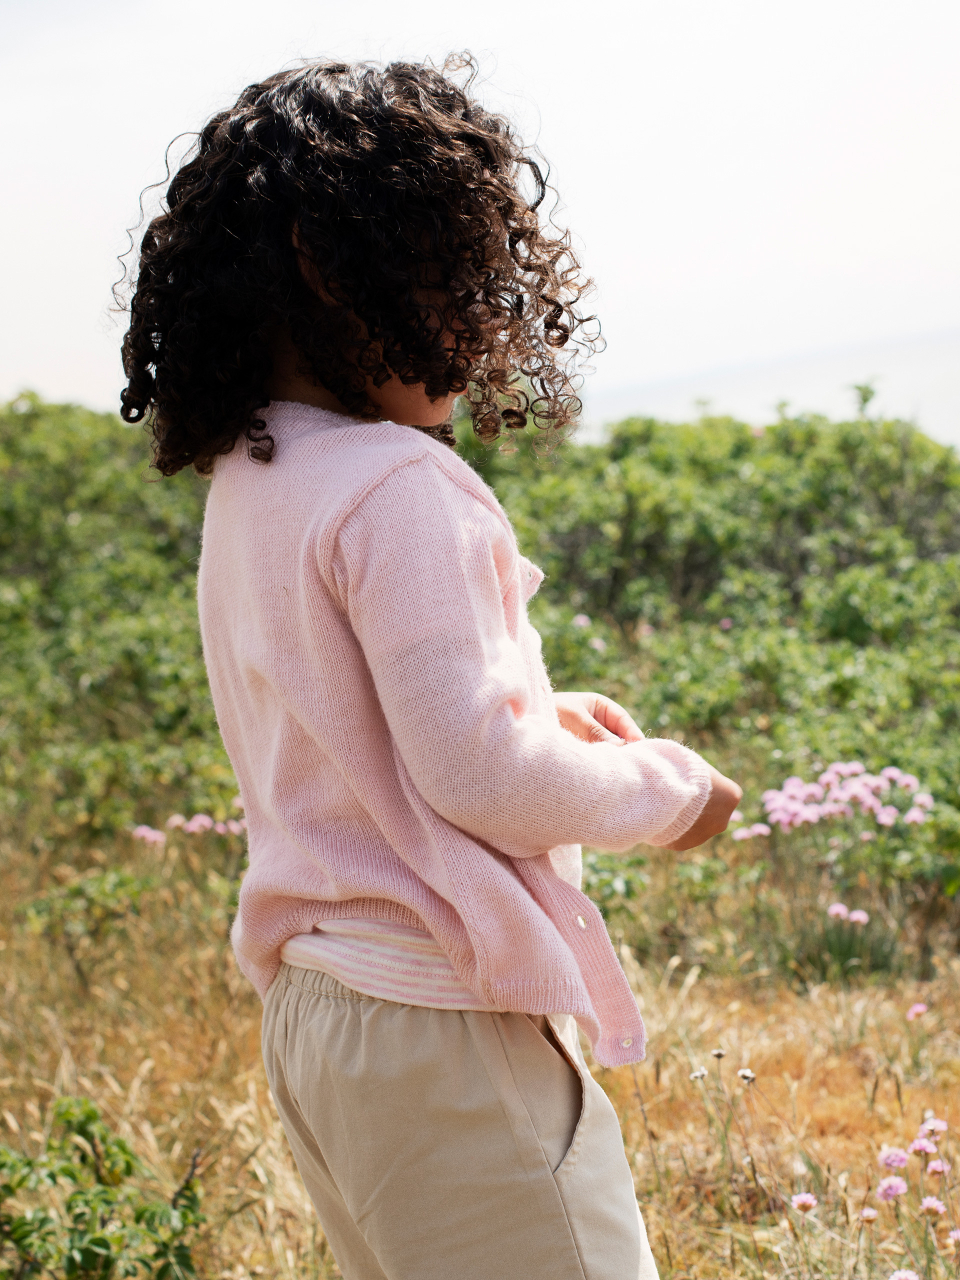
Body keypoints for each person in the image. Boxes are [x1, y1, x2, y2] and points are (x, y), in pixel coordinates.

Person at [120, 55, 742, 1280]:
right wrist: (672, 794)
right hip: (438, 1017)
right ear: (323, 262)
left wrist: (539, 710)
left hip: (322, 1019)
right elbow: (481, 774)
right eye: (456, 274)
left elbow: (351, 727)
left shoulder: (258, 478)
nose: (483, 320)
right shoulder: (400, 483)